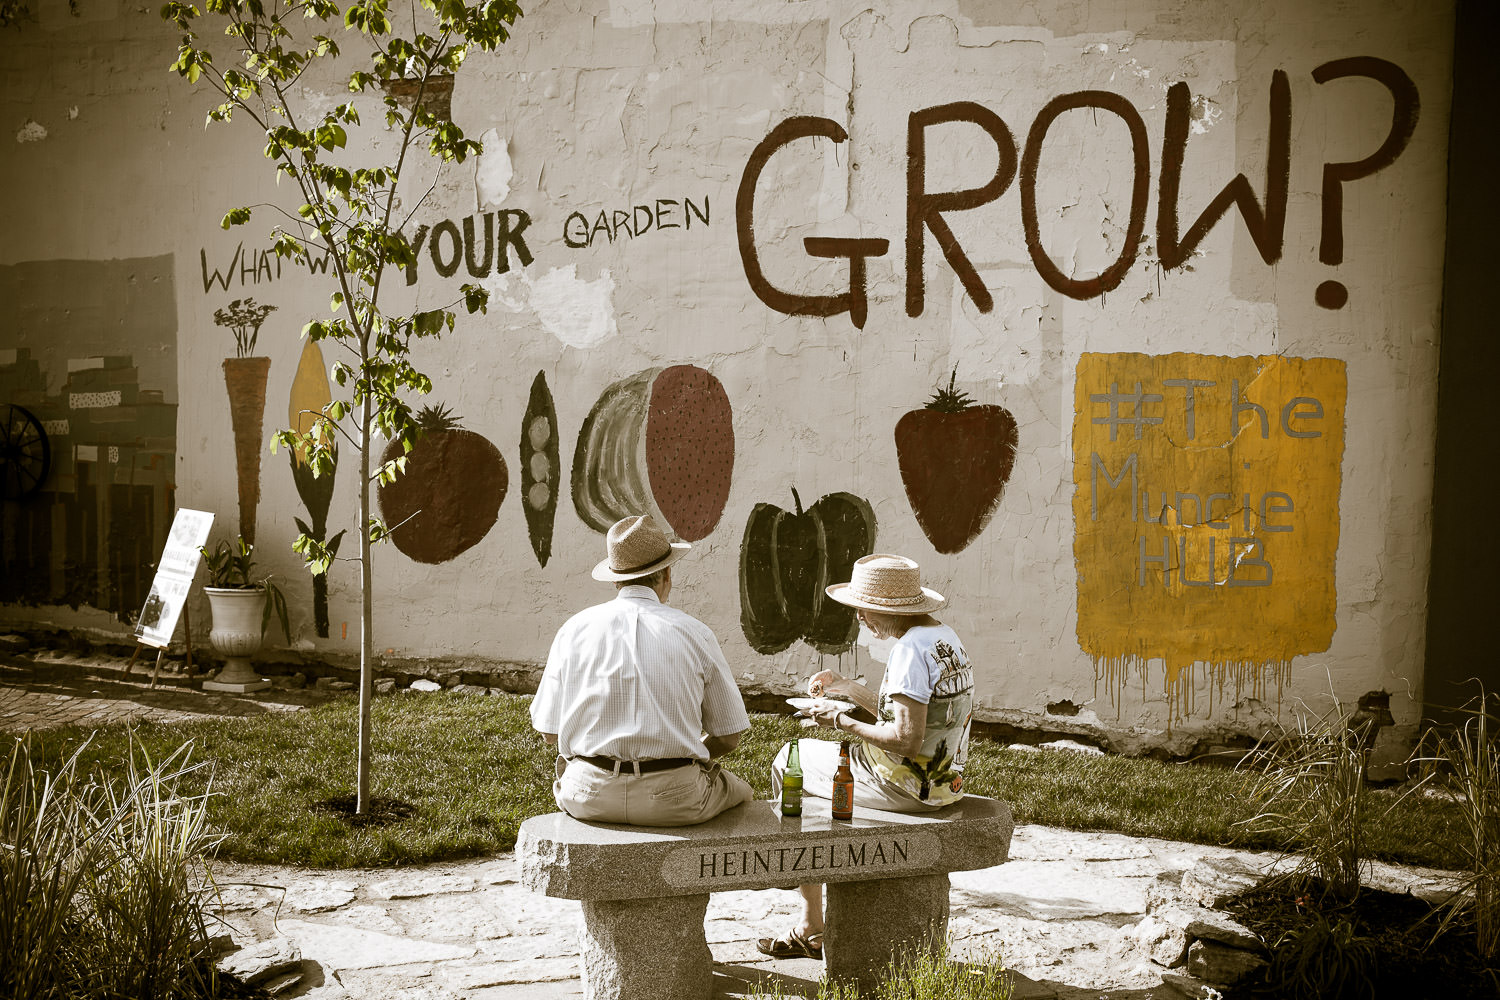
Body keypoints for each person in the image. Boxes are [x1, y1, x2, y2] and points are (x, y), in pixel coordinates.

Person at [757, 553, 975, 961]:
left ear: (889, 608)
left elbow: (906, 739)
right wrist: (847, 688)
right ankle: (814, 902)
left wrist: (839, 720)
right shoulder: (943, 638)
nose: (859, 616)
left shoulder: (909, 651)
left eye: (864, 607)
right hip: (944, 783)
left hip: (903, 785)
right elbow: (915, 720)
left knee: (789, 759)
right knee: (808, 769)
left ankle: (807, 912)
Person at [530, 513, 756, 826]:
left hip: (588, 794)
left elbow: (549, 732)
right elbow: (729, 737)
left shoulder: (574, 629)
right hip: (675, 797)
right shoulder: (695, 633)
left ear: (616, 579)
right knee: (743, 793)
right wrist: (689, 754)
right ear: (666, 574)